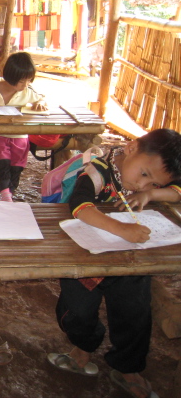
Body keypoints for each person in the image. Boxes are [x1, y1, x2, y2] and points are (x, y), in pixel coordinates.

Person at [47, 128, 181, 398]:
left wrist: (151, 196)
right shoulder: (97, 171)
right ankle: (82, 349)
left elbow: (177, 191)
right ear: (130, 149)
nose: (142, 185)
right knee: (77, 312)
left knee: (134, 313)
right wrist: (122, 229)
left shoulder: (149, 181)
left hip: (130, 261)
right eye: (144, 175)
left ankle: (128, 366)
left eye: (153, 183)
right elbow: (80, 207)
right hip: (84, 257)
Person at [0, 52, 47, 202]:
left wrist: (40, 103)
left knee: (16, 167)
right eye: (22, 81)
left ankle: (9, 193)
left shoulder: (27, 91)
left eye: (29, 81)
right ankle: (5, 193)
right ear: (10, 76)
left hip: (20, 136)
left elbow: (42, 99)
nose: (26, 85)